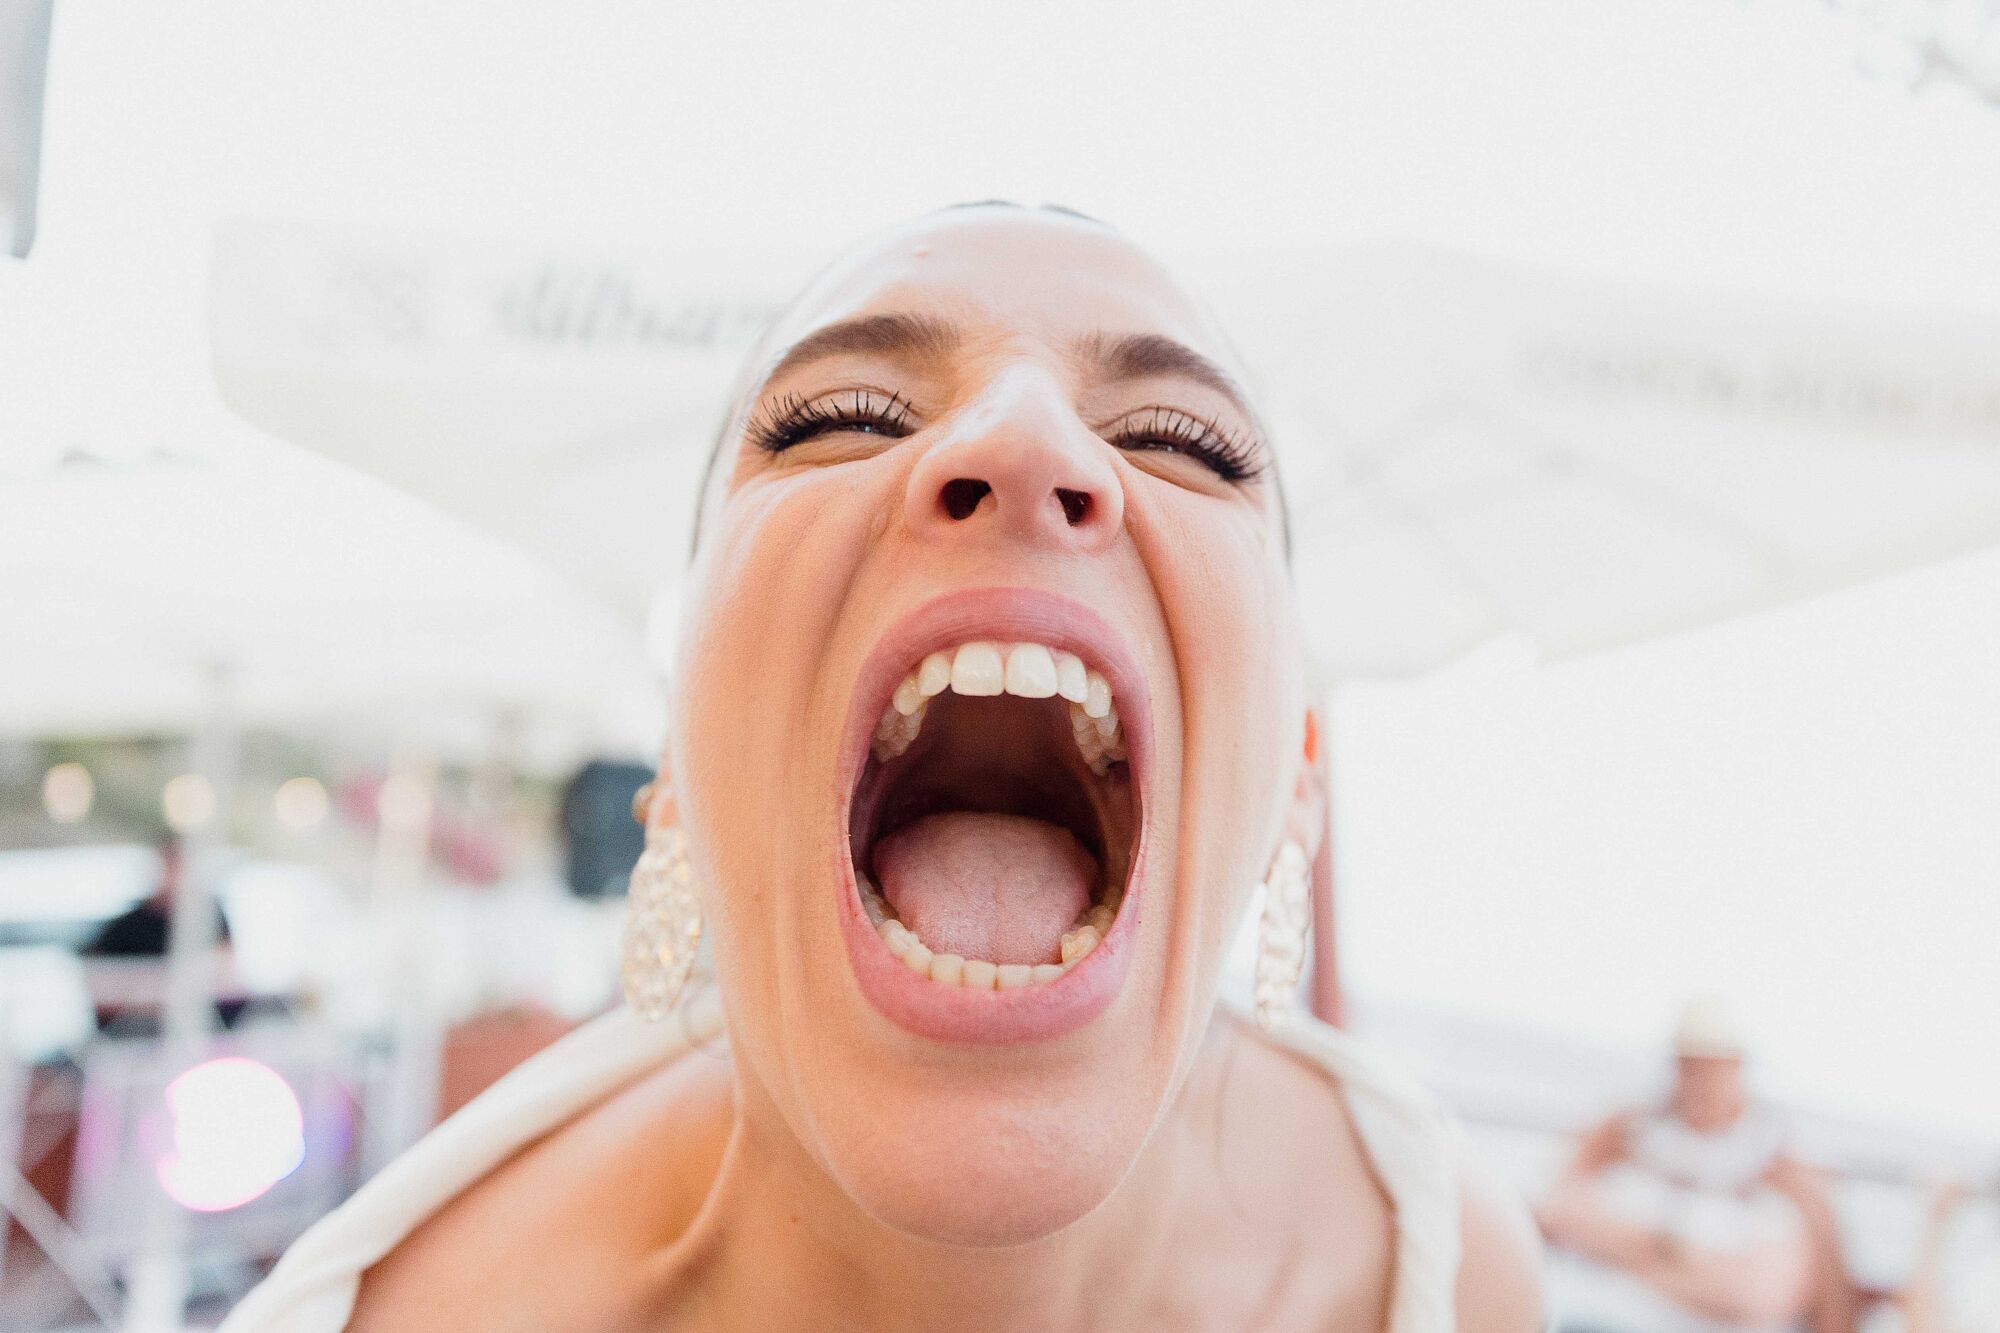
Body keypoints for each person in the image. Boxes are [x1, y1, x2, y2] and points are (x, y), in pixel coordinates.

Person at [223, 204, 1544, 1331]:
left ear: (1294, 777)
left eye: (1182, 442)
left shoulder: (1431, 1266)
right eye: (844, 418)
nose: (1027, 443)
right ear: (679, 759)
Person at [1538, 999, 1854, 1332]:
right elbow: (1558, 1211)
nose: (1696, 1083)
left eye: (1709, 1067)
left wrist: (1632, 1252)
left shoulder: (1787, 1164)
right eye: (1687, 1067)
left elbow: (1755, 1293)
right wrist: (1678, 1259)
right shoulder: (1624, 1133)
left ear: (1737, 1067)